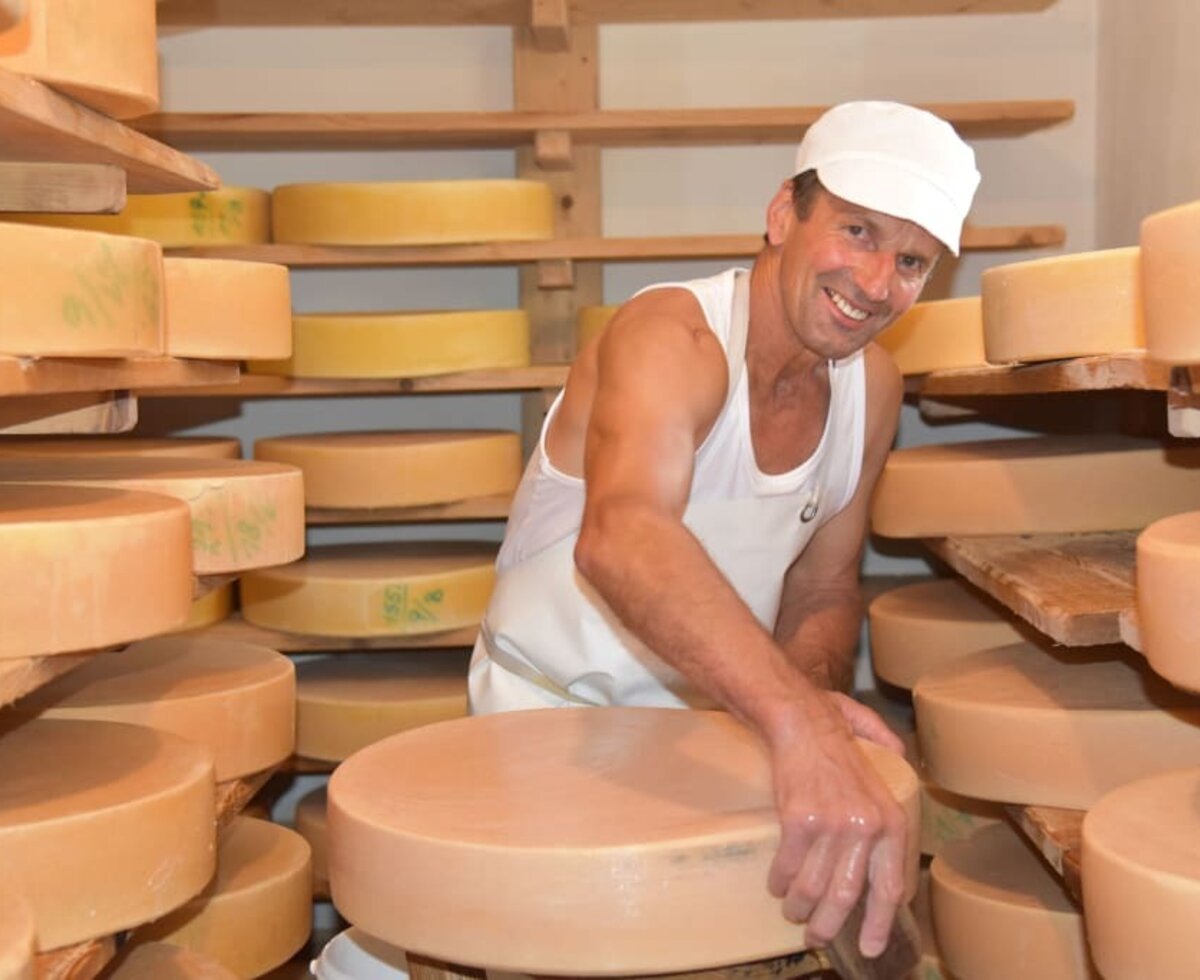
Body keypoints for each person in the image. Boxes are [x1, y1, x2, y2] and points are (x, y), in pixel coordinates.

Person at [467, 101, 980, 958]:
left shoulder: (873, 388)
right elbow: (624, 534)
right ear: (783, 213)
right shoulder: (671, 336)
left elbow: (821, 588)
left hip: (720, 724)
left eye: (912, 260)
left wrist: (809, 690)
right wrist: (798, 724)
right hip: (546, 725)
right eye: (857, 231)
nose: (877, 282)